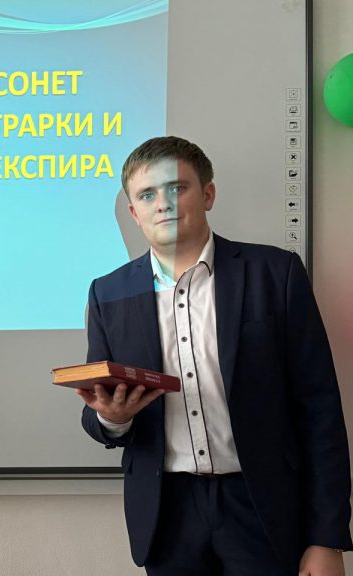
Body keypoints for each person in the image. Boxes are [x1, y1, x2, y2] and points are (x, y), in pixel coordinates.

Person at [77, 136, 351, 575]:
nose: (163, 204)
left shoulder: (275, 274)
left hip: (263, 506)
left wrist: (326, 537)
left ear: (207, 194)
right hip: (167, 515)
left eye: (177, 187)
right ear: (133, 212)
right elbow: (99, 415)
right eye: (147, 194)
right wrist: (113, 418)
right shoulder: (107, 294)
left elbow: (320, 411)